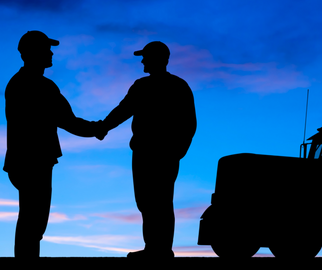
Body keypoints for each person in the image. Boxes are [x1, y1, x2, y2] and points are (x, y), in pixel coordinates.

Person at [3, 30, 102, 258]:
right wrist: (98, 128)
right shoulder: (39, 86)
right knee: (33, 219)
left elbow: (67, 120)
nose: (50, 53)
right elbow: (69, 121)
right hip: (33, 160)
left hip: (25, 160)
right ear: (33, 52)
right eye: (46, 49)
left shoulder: (20, 83)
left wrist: (95, 127)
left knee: (32, 217)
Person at [96, 41, 197, 259]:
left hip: (163, 154)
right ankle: (154, 247)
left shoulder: (178, 86)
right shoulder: (141, 86)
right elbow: (123, 110)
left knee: (159, 200)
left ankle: (160, 250)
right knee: (146, 201)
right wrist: (103, 126)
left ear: (158, 59)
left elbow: (189, 123)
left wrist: (178, 150)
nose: (142, 61)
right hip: (143, 153)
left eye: (146, 57)